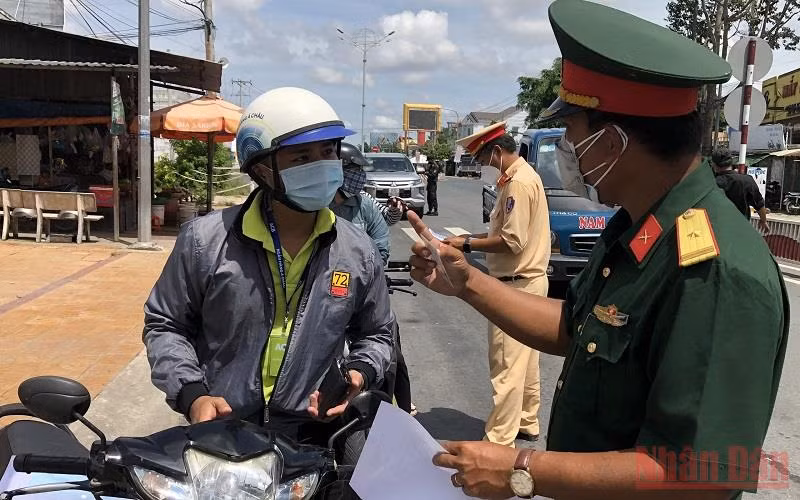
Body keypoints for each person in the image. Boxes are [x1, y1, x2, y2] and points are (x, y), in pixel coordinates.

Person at [407, 1, 788, 498]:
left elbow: (703, 472)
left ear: (612, 142)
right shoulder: (636, 226)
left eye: (570, 132)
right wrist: (469, 283)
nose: (566, 150)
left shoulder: (716, 271)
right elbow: (575, 327)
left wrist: (522, 468)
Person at [143, 87, 394, 449]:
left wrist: (360, 372)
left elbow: (378, 334)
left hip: (313, 433)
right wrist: (192, 395)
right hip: (223, 427)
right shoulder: (205, 241)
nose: (322, 166)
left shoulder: (358, 251)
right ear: (263, 169)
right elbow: (166, 324)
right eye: (302, 157)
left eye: (328, 152)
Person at [444, 122, 551, 447]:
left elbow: (511, 241)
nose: (482, 165)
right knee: (526, 359)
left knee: (506, 362)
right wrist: (467, 239)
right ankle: (526, 421)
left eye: (482, 158)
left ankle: (499, 440)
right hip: (530, 280)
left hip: (516, 284)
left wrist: (466, 246)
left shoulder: (517, 184)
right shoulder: (523, 177)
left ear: (496, 151)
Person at [330, 141, 417, 416]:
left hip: (363, 294)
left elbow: (381, 244)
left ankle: (402, 410)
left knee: (392, 353)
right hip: (320, 298)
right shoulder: (313, 205)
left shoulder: (364, 204)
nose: (359, 177)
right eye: (354, 170)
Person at [712, 150, 770, 233]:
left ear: (714, 165)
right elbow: (759, 204)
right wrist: (763, 221)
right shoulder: (747, 180)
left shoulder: (712, 183)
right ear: (731, 162)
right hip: (741, 228)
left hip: (717, 229)